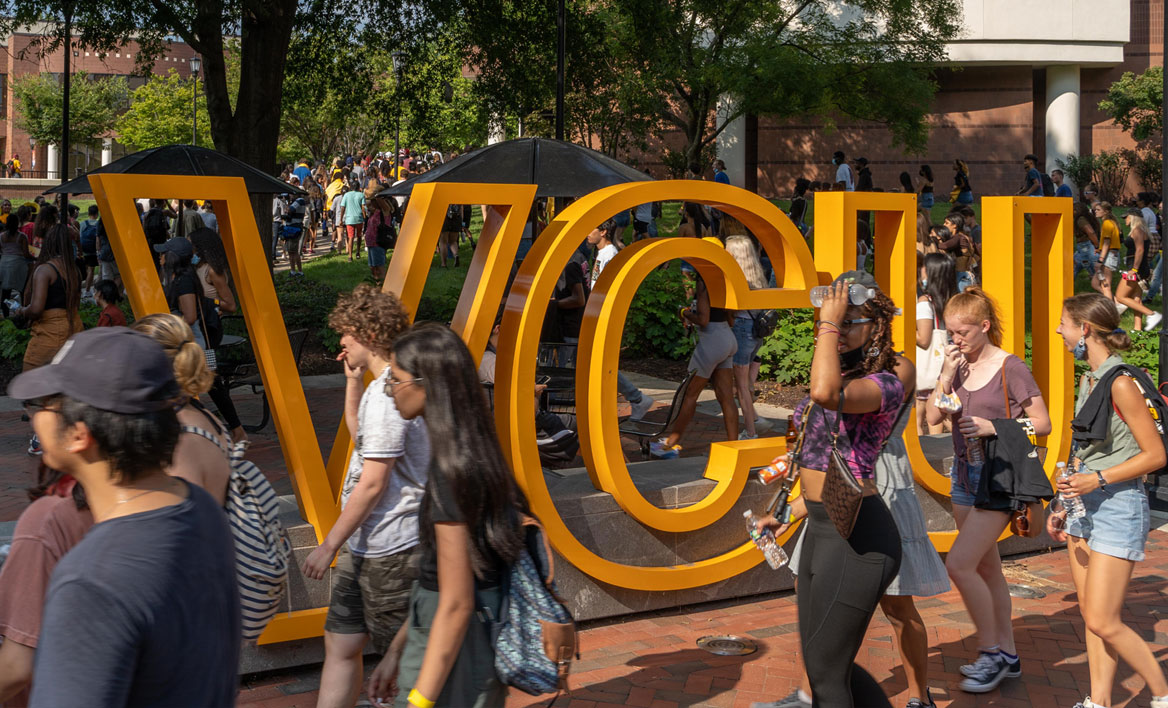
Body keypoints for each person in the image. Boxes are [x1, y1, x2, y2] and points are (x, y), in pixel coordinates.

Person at [9, 326, 239, 706]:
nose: (36, 415)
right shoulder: (199, 508)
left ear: (79, 435)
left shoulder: (92, 580)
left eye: (47, 403)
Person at [752, 272, 905, 708]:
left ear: (876, 326)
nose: (838, 328)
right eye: (836, 317)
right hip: (821, 528)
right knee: (825, 668)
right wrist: (785, 513)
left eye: (850, 321)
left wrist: (827, 325)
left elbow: (824, 391)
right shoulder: (845, 372)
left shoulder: (885, 383)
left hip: (859, 537)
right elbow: (821, 467)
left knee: (826, 674)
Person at [366, 322, 532, 708]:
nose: (389, 388)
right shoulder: (474, 456)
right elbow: (440, 580)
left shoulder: (450, 474)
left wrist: (421, 700)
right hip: (455, 638)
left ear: (429, 385)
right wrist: (395, 652)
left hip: (453, 651)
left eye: (396, 378)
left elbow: (454, 603)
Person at [302, 284, 429, 708]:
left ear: (367, 332)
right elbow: (364, 443)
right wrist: (352, 384)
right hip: (366, 544)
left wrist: (328, 546)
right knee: (341, 643)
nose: (340, 341)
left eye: (346, 333)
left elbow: (374, 481)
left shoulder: (392, 393)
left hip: (392, 548)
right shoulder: (379, 390)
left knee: (407, 663)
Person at [925, 287, 1051, 693]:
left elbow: (1043, 425)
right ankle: (1008, 654)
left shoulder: (1010, 367)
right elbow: (931, 416)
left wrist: (992, 426)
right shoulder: (958, 366)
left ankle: (991, 651)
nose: (955, 340)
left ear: (984, 326)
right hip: (964, 476)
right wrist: (945, 374)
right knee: (986, 567)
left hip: (998, 478)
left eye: (962, 332)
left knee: (959, 565)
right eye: (950, 332)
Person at [1052, 293, 1168, 708]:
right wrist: (1063, 501)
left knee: (1103, 618)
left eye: (1064, 324)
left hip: (1118, 505)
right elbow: (1086, 451)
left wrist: (1096, 479)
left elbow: (1156, 455)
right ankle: (1098, 701)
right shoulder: (1091, 378)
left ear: (1084, 330)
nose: (1059, 331)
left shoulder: (1119, 381)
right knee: (1092, 618)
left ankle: (1162, 693)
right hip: (1085, 506)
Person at [157, 236, 246, 443]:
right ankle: (233, 430)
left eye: (163, 253)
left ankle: (218, 431)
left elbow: (190, 316)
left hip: (195, 340)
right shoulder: (179, 276)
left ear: (172, 257)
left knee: (197, 386)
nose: (160, 256)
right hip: (196, 339)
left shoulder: (186, 278)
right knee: (209, 384)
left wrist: (165, 322)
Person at [649, 270, 738, 457]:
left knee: (689, 395)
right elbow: (731, 318)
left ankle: (670, 444)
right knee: (726, 397)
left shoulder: (704, 281)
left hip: (711, 341)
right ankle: (734, 446)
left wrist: (684, 312)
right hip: (728, 338)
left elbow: (703, 319)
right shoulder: (724, 280)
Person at [586, 221, 654, 420]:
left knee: (601, 362)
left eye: (591, 230)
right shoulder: (601, 254)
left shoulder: (611, 255)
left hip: (603, 314)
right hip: (597, 312)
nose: (586, 235)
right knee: (597, 362)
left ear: (603, 232)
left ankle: (636, 398)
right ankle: (635, 398)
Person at [726, 236, 767, 439]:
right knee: (746, 383)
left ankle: (751, 432)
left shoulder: (736, 278)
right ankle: (756, 420)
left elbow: (732, 311)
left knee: (741, 386)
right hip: (756, 330)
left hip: (742, 328)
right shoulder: (757, 274)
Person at [916, 252, 958, 435]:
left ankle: (923, 458)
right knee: (942, 415)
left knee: (918, 417)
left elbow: (924, 340)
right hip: (945, 368)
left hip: (926, 371)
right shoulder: (953, 300)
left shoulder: (925, 302)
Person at [1115, 210, 1161, 330]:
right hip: (1140, 268)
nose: (1125, 219)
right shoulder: (1141, 230)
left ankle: (1151, 314)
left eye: (1127, 217)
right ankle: (1137, 330)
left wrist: (1134, 269)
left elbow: (1139, 250)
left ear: (1133, 217)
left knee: (1120, 297)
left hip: (1136, 269)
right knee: (1137, 299)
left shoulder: (1138, 230)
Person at [190, 227, 238, 315]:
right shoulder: (195, 268)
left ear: (200, 249)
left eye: (190, 247)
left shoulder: (212, 272)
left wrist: (208, 302)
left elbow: (231, 306)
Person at [0, 213, 30, 304]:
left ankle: (6, 316)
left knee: (5, 292)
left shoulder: (1, 236)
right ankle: (23, 312)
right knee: (22, 290)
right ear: (18, 223)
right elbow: (26, 254)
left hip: (4, 264)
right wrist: (36, 257)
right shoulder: (22, 236)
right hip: (18, 265)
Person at [1095, 201, 1121, 302]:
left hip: (1109, 256)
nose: (1095, 212)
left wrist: (1100, 260)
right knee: (1095, 283)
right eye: (1095, 210)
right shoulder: (1112, 222)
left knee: (1106, 285)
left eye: (1098, 210)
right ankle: (1115, 302)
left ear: (1106, 211)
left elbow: (1107, 242)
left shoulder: (1107, 223)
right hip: (1109, 254)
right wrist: (1099, 249)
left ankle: (1111, 309)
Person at [1073, 202, 1102, 285]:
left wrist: (1097, 246)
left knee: (1094, 268)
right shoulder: (1089, 218)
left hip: (1086, 247)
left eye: (1073, 210)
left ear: (1076, 211)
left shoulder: (1080, 219)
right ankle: (1067, 286)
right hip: (1084, 248)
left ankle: (1101, 288)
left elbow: (1090, 232)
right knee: (1073, 264)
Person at [339, 180, 367, 263]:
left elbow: (343, 207)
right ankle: (358, 252)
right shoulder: (361, 195)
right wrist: (364, 217)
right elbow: (363, 207)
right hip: (359, 218)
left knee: (350, 237)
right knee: (359, 236)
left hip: (349, 219)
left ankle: (350, 256)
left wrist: (341, 219)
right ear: (358, 187)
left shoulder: (346, 195)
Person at [78, 205, 100, 297]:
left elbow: (79, 237)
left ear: (88, 213)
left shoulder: (83, 223)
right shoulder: (98, 224)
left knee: (86, 269)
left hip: (84, 250)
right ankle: (87, 290)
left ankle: (82, 289)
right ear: (97, 214)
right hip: (93, 251)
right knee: (91, 270)